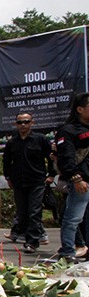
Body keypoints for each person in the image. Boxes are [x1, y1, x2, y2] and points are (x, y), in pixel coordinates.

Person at [1, 112, 54, 253]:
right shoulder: (12, 142)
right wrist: (8, 177)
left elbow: (51, 158)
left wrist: (51, 174)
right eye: (20, 122)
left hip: (37, 180)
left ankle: (32, 242)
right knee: (22, 213)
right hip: (19, 182)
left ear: (32, 123)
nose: (23, 125)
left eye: (26, 121)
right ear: (15, 124)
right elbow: (6, 161)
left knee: (34, 212)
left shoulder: (40, 139)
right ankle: (27, 236)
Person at [56, 93, 89, 262]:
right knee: (73, 218)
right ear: (80, 109)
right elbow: (66, 157)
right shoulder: (68, 130)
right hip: (81, 181)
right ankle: (68, 251)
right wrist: (76, 178)